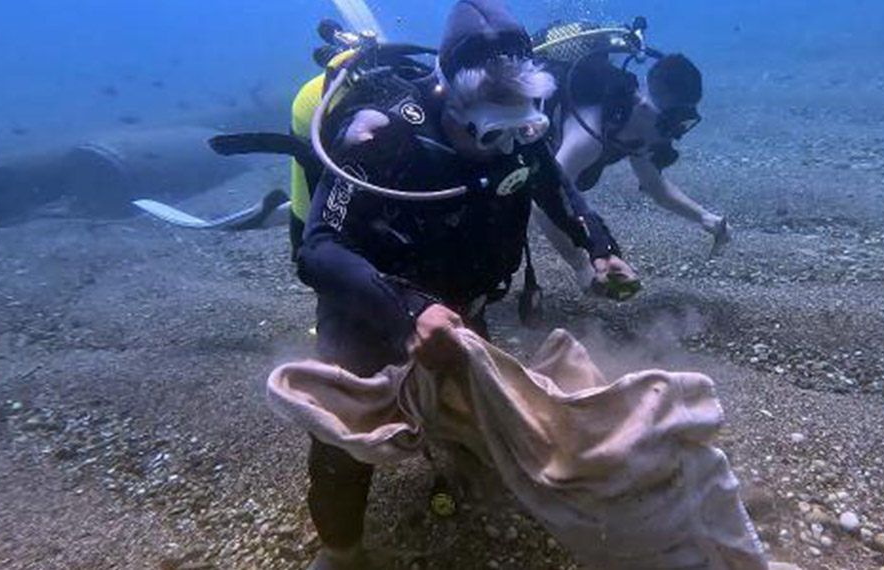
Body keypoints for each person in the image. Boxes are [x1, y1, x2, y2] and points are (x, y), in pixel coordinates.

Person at [294, 2, 638, 568]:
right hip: (371, 301)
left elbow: (556, 188)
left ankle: (466, 464)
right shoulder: (381, 137)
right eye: (490, 131)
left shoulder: (522, 133)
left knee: (472, 400)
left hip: (459, 301)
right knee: (341, 431)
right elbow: (320, 248)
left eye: (523, 127)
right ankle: (339, 549)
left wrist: (601, 251)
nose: (508, 146)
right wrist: (409, 310)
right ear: (448, 100)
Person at [531, 20, 730, 289]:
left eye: (683, 124)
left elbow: (655, 187)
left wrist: (705, 218)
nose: (673, 136)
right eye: (672, 123)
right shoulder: (589, 136)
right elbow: (543, 204)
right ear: (647, 106)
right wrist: (580, 266)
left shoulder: (636, 131)